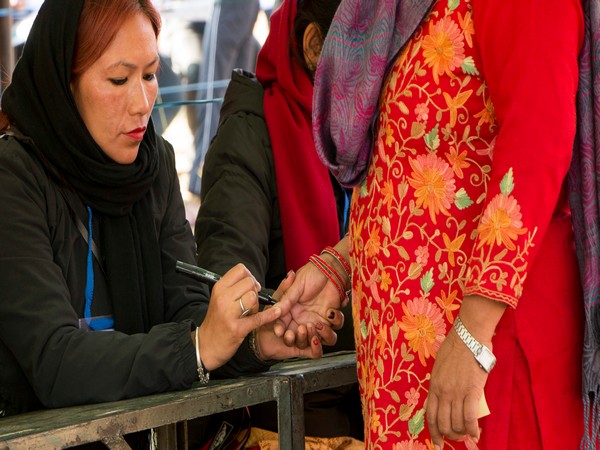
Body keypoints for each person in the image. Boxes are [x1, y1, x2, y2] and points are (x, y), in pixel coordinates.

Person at [0, 0, 340, 445]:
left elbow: (186, 309)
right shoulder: (13, 178)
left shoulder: (152, 164)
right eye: (119, 79)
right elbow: (55, 360)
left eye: (150, 74)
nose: (142, 103)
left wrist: (254, 336)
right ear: (64, 83)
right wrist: (198, 347)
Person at [275, 0, 587, 448]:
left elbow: (538, 142)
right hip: (411, 371)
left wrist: (474, 336)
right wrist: (344, 262)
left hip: (487, 359)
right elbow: (418, 163)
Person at [194, 0, 362, 440]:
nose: (379, 73)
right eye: (366, 52)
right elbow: (226, 289)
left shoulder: (368, 135)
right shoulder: (250, 136)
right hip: (290, 420)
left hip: (367, 397)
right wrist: (348, 317)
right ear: (313, 46)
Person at [188, 0, 262, 196]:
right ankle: (232, 175)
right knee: (239, 90)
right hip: (248, 6)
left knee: (213, 90)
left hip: (232, 5)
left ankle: (202, 181)